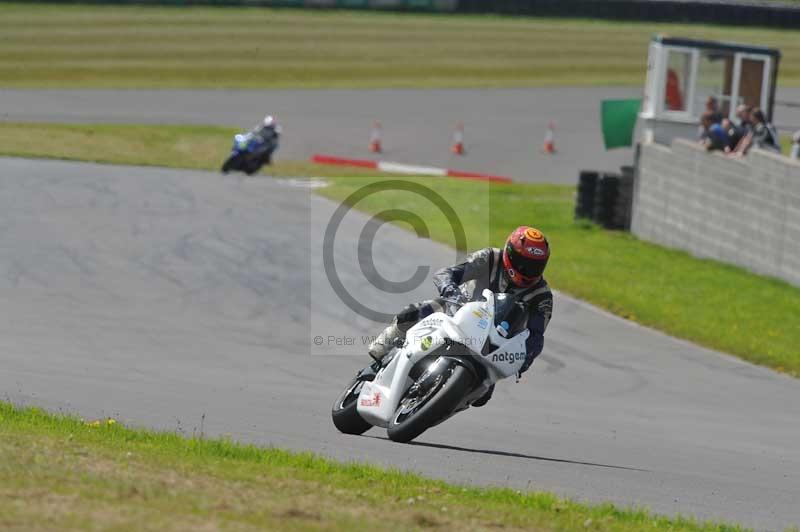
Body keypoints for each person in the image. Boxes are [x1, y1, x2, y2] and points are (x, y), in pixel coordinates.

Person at [366, 226, 553, 407]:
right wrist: (451, 290)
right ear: (510, 254)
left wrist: (524, 359)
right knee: (411, 313)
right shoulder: (489, 258)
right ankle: (377, 360)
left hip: (491, 346)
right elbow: (446, 274)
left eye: (536, 266)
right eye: (524, 263)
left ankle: (436, 406)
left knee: (482, 396)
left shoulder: (541, 296)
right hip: (455, 313)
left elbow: (536, 336)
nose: (528, 270)